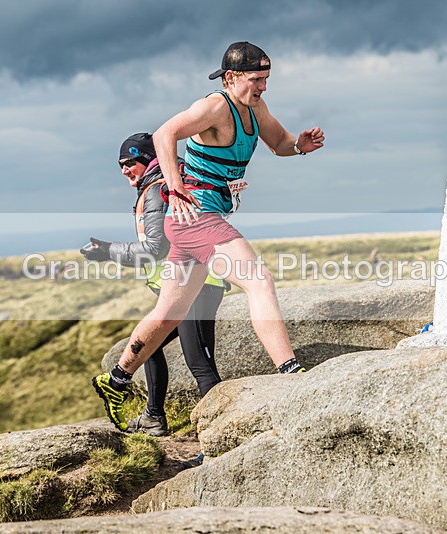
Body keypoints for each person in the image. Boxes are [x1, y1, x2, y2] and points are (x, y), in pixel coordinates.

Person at [92, 41, 325, 435]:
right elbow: (165, 133)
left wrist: (299, 147)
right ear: (231, 77)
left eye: (266, 79)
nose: (263, 87)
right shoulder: (215, 107)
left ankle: (116, 379)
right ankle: (290, 371)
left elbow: (280, 143)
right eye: (255, 79)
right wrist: (174, 186)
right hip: (195, 217)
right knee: (258, 280)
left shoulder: (255, 108)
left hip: (191, 223)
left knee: (169, 313)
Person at [83, 132, 227, 437]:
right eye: (120, 165)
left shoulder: (157, 190)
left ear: (150, 160)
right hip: (186, 286)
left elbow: (155, 248)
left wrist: (107, 251)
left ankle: (221, 438)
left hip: (193, 287)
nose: (124, 170)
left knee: (200, 366)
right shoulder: (169, 185)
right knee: (151, 345)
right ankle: (153, 417)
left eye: (129, 162)